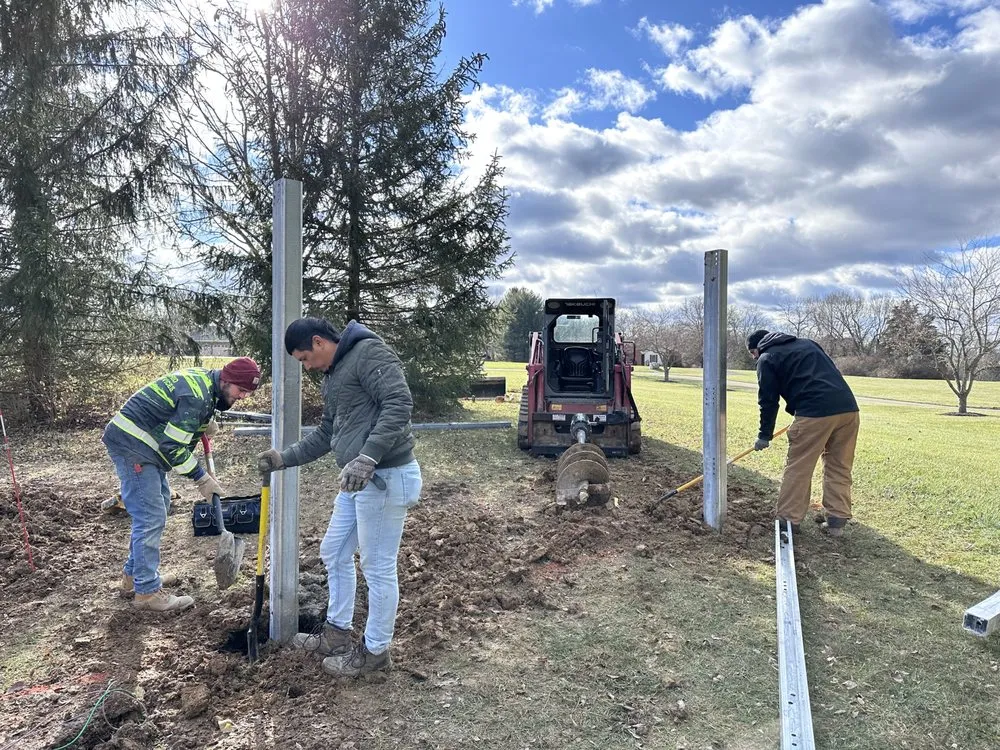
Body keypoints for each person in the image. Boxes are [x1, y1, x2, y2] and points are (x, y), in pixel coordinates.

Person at [257, 317, 422, 678]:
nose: (306, 366)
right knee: (333, 551)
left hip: (384, 476)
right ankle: (337, 634)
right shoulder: (335, 373)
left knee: (377, 567)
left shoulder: (368, 353)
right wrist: (284, 458)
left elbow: (398, 403)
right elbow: (328, 431)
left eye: (303, 358)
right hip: (357, 479)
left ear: (318, 342)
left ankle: (376, 655)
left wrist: (369, 456)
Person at [102, 358, 261, 612]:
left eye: (247, 393)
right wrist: (202, 478)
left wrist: (202, 422)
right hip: (133, 445)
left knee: (160, 504)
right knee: (150, 514)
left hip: (142, 442)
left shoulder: (207, 383)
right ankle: (146, 593)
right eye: (240, 390)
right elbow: (172, 447)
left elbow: (176, 411)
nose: (242, 397)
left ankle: (135, 576)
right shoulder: (198, 399)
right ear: (226, 380)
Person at [747, 330, 860, 537]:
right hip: (848, 410)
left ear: (758, 348)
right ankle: (837, 521)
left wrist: (764, 434)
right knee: (839, 465)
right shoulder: (808, 344)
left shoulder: (766, 358)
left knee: (799, 467)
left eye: (753, 353)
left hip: (814, 413)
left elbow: (768, 400)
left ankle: (788, 521)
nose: (754, 358)